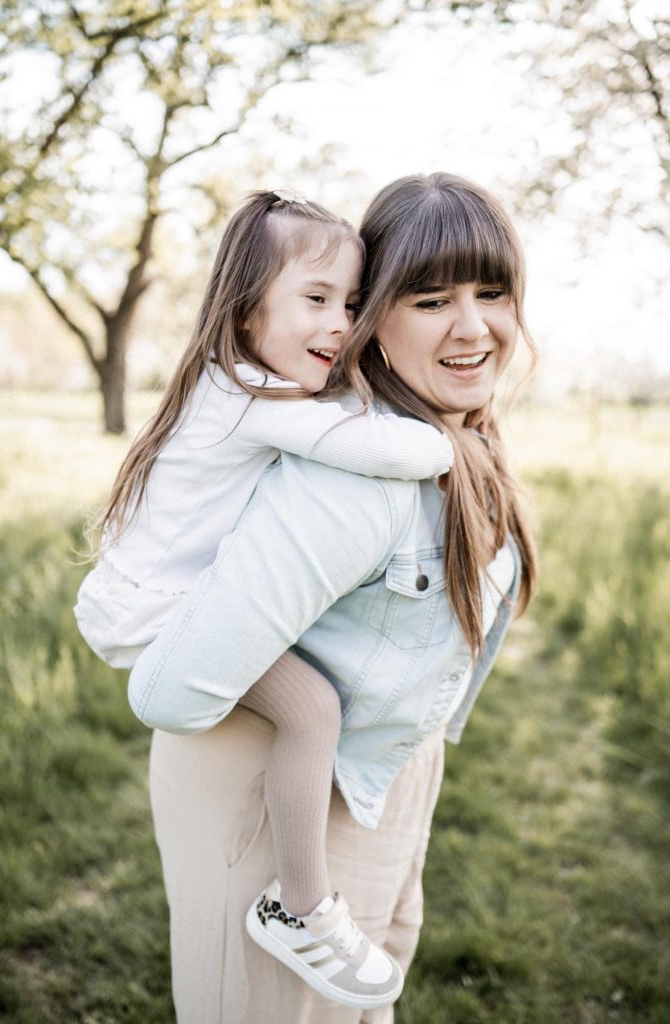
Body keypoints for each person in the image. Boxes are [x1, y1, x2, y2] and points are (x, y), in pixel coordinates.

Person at [125, 172, 538, 1024]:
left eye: (491, 291)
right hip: (272, 801)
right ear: (377, 315)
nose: (472, 325)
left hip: (381, 770)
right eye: (430, 299)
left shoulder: (462, 443)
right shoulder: (354, 481)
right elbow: (173, 690)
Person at [74, 189, 455, 1010]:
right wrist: (447, 432)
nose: (340, 325)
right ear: (247, 314)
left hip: (146, 594)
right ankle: (303, 905)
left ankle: (303, 900)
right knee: (312, 710)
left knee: (307, 706)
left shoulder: (233, 381)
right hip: (156, 614)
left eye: (352, 303)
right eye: (315, 300)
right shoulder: (254, 398)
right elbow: (399, 449)